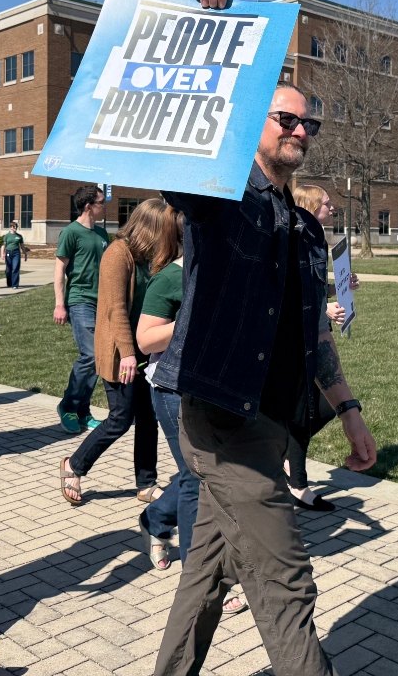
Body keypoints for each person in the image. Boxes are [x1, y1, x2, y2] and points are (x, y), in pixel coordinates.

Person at [151, 0, 377, 676]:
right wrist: (207, 33)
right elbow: (167, 141)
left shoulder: (308, 230)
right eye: (285, 119)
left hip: (275, 418)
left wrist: (349, 411)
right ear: (251, 122)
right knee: (286, 584)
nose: (300, 131)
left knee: (206, 575)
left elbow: (314, 337)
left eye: (308, 123)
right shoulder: (217, 197)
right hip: (221, 418)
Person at [134, 211, 248, 612]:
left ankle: (156, 520)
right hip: (172, 389)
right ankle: (199, 574)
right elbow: (146, 340)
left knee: (202, 475)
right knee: (194, 477)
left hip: (216, 387)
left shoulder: (224, 272)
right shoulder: (168, 278)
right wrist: (190, 317)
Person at [59, 198, 165, 505]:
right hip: (121, 352)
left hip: (147, 350)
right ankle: (74, 465)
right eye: (163, 230)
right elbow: (116, 308)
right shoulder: (118, 254)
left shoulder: (150, 256)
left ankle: (146, 483)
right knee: (121, 417)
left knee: (148, 418)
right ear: (149, 228)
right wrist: (128, 353)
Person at [288, 184, 361, 512]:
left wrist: (338, 288)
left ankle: (289, 466)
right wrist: (324, 310)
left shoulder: (317, 242)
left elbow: (311, 288)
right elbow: (291, 294)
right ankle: (297, 481)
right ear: (309, 207)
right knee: (301, 412)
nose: (332, 209)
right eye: (326, 205)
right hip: (295, 348)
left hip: (313, 340)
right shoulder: (297, 242)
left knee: (319, 409)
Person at [53, 184, 109, 433]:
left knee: (98, 360)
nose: (104, 206)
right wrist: (59, 304)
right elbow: (59, 271)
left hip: (103, 303)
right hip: (80, 300)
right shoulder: (70, 233)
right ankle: (68, 406)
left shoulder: (103, 234)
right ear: (89, 206)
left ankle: (83, 412)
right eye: (101, 202)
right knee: (90, 355)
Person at [0, 221, 27, 288]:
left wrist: (25, 253)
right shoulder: (7, 236)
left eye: (16, 227)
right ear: (11, 228)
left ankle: (15, 284)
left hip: (16, 253)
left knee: (15, 268)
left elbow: (22, 246)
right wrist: (2, 253)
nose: (15, 228)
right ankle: (9, 283)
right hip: (8, 252)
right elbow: (3, 245)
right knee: (8, 270)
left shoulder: (19, 236)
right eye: (13, 227)